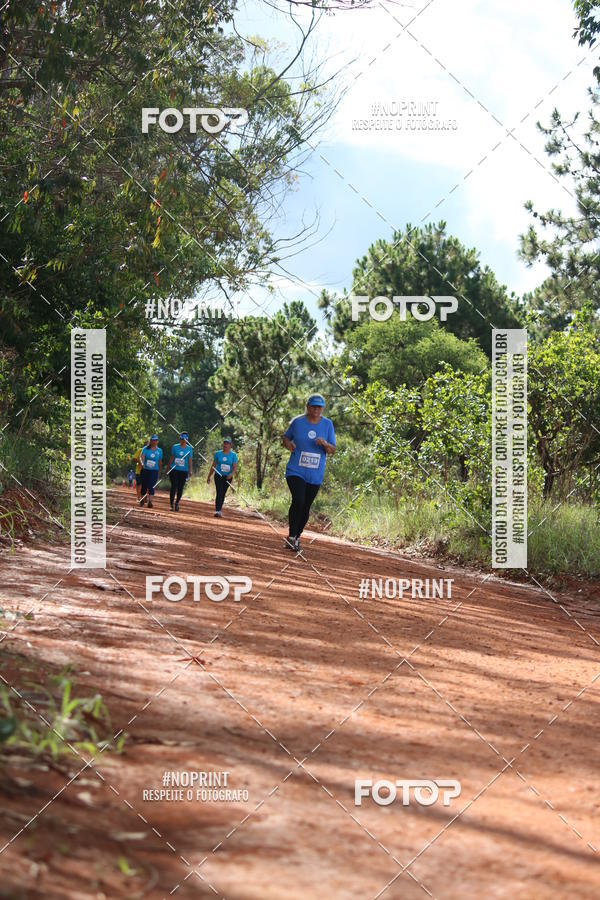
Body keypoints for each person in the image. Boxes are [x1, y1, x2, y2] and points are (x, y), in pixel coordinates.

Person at [282, 393, 336, 552]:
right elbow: (285, 437)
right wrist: (289, 444)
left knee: (306, 506)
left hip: (315, 475)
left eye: (319, 407)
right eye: (313, 406)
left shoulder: (327, 424)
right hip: (295, 470)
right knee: (298, 500)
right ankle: (292, 536)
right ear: (308, 407)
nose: (316, 409)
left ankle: (297, 537)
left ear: (323, 408)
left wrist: (325, 444)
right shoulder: (297, 422)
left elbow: (332, 449)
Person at [207, 437, 237, 518]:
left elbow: (234, 467)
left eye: (227, 444)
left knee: (223, 493)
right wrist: (209, 476)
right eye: (224, 444)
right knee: (219, 492)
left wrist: (231, 474)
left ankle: (219, 509)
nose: (225, 445)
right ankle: (217, 510)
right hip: (218, 475)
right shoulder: (218, 454)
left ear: (230, 445)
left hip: (228, 477)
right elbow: (213, 465)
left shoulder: (233, 455)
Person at [168, 432, 193, 511]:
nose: (183, 441)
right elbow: (172, 457)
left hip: (183, 471)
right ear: (180, 439)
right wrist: (168, 467)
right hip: (174, 469)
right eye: (182, 439)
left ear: (187, 440)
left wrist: (190, 470)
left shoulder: (189, 449)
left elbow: (189, 460)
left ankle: (177, 503)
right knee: (174, 486)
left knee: (180, 487)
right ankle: (171, 504)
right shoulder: (175, 447)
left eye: (185, 439)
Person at [140, 434, 162, 508]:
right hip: (145, 470)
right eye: (153, 440)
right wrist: (142, 464)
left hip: (154, 471)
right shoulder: (145, 449)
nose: (154, 442)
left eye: (156, 440)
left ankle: (150, 501)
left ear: (157, 441)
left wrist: (159, 471)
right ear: (151, 441)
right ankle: (142, 500)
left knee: (151, 486)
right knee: (144, 486)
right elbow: (141, 457)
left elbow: (160, 462)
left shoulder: (159, 451)